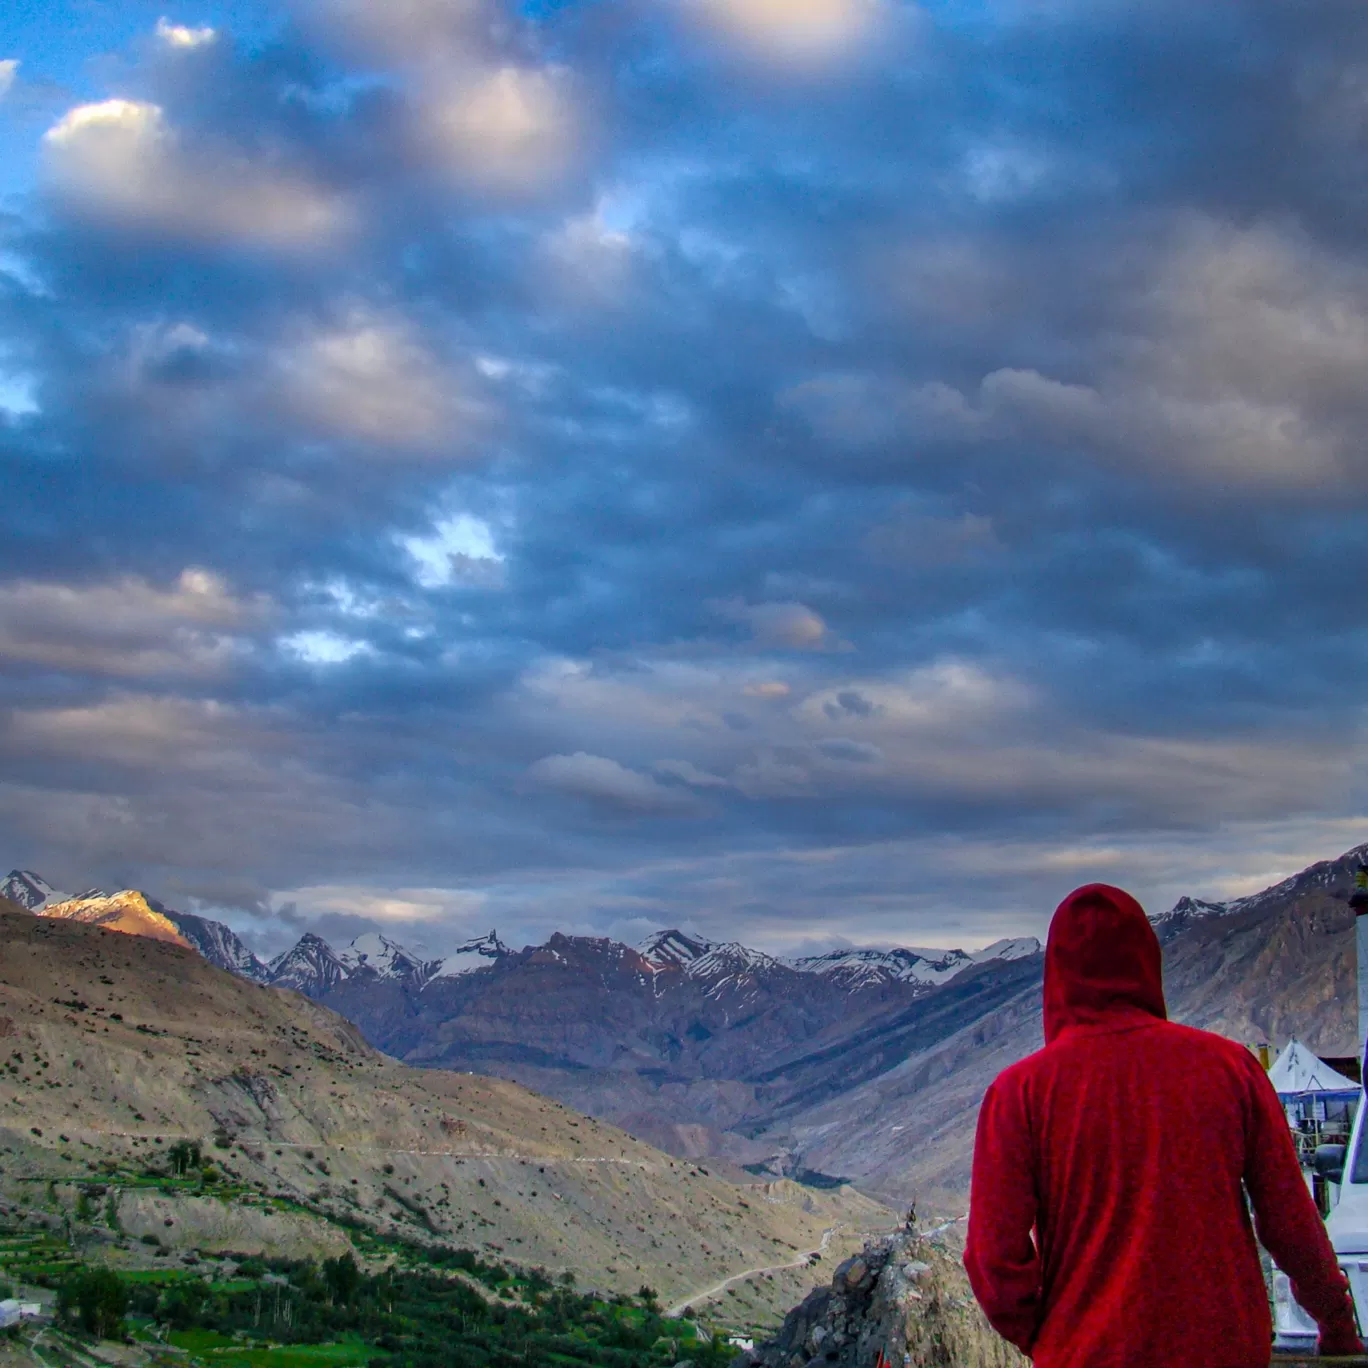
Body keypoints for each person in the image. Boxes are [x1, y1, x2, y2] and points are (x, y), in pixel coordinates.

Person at [964, 883, 1362, 1368]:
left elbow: (993, 1259)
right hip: (1223, 1350)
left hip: (1089, 1354)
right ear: (1146, 963)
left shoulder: (1020, 1094)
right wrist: (1337, 1326)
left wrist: (1050, 1338)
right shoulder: (1229, 1070)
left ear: (1057, 976)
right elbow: (1291, 1224)